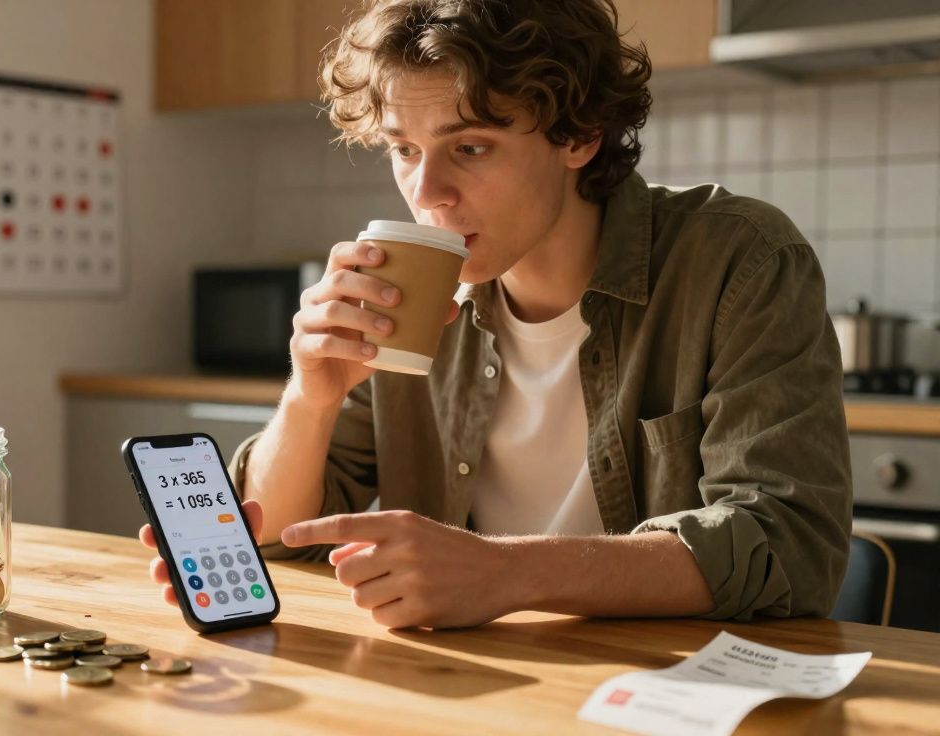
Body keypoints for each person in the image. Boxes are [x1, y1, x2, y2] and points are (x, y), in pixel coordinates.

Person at [140, 0, 851, 629]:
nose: (428, 194)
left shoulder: (739, 260)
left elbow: (785, 544)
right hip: (477, 683)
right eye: (404, 150)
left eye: (470, 147)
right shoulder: (413, 296)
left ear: (580, 135)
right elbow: (277, 537)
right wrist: (312, 396)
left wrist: (505, 573)